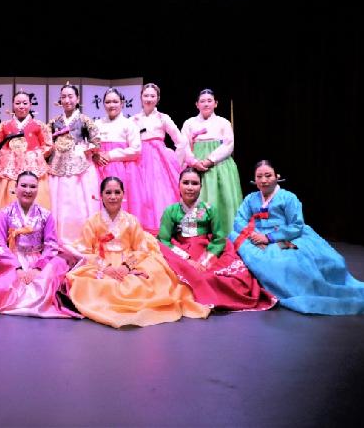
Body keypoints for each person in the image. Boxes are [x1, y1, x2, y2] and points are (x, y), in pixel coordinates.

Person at [232, 160, 364, 315]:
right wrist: (253, 234)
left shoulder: (288, 197)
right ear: (254, 179)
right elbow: (239, 219)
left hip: (284, 237)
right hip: (255, 235)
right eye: (259, 176)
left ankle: (294, 290)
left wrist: (269, 237)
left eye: (268, 175)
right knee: (234, 239)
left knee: (289, 259)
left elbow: (296, 225)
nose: (264, 180)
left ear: (277, 176)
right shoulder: (250, 199)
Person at [66, 176, 210, 328]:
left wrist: (127, 266)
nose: (113, 197)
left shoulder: (131, 221)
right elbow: (86, 250)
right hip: (102, 261)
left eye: (117, 192)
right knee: (90, 283)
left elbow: (141, 249)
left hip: (128, 259)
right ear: (101, 195)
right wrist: (105, 267)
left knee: (142, 282)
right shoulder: (92, 222)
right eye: (108, 192)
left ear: (123, 194)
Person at [157, 168, 276, 311]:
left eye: (194, 183)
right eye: (186, 183)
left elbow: (219, 238)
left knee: (229, 277)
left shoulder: (210, 209)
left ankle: (214, 298)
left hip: (207, 250)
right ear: (179, 185)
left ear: (201, 186)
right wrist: (186, 259)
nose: (190, 187)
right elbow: (163, 239)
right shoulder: (170, 211)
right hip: (181, 251)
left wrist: (205, 261)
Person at [0, 171, 78, 318]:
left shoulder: (46, 215)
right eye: (24, 186)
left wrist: (38, 268)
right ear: (16, 187)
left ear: (38, 189)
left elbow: (51, 245)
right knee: (5, 279)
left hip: (38, 259)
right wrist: (17, 268)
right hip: (11, 259)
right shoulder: (4, 213)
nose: (28, 190)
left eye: (32, 187)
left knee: (49, 275)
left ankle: (41, 301)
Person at [180, 88, 242, 236]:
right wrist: (194, 162)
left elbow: (228, 145)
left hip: (220, 165)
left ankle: (226, 235)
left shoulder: (223, 122)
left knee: (224, 200)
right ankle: (198, 236)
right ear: (197, 104)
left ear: (215, 103)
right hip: (196, 167)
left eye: (209, 101)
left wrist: (210, 160)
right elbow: (183, 145)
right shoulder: (189, 123)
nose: (206, 104)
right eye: (202, 101)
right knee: (198, 199)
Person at [47, 82, 101, 250]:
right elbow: (46, 141)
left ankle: (81, 236)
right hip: (58, 164)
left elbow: (96, 140)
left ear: (77, 99)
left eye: (70, 96)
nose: (67, 100)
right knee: (59, 200)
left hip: (80, 166)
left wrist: (86, 149)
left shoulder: (85, 120)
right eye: (63, 97)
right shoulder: (54, 122)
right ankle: (59, 237)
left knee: (80, 202)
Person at [0, 90, 53, 229]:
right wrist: (6, 155)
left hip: (33, 168)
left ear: (30, 105)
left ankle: (36, 230)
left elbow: (48, 145)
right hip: (8, 170)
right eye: (18, 103)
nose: (21, 106)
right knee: (5, 199)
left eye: (25, 103)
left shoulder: (39, 125)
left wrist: (34, 155)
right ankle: (3, 231)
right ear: (13, 105)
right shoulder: (4, 126)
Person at [130, 83, 186, 233]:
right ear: (141, 97)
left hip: (159, 161)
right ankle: (142, 230)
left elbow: (181, 141)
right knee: (142, 194)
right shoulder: (133, 119)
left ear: (158, 98)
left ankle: (163, 229)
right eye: (146, 95)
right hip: (139, 159)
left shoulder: (163, 118)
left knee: (160, 194)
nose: (149, 99)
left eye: (152, 96)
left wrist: (175, 161)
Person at [92, 88, 144, 223]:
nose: (111, 105)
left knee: (120, 205)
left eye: (115, 102)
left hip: (122, 170)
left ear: (122, 103)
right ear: (103, 104)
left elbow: (136, 150)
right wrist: (95, 155)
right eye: (108, 102)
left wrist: (111, 155)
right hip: (99, 170)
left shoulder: (129, 124)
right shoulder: (97, 124)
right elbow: (90, 147)